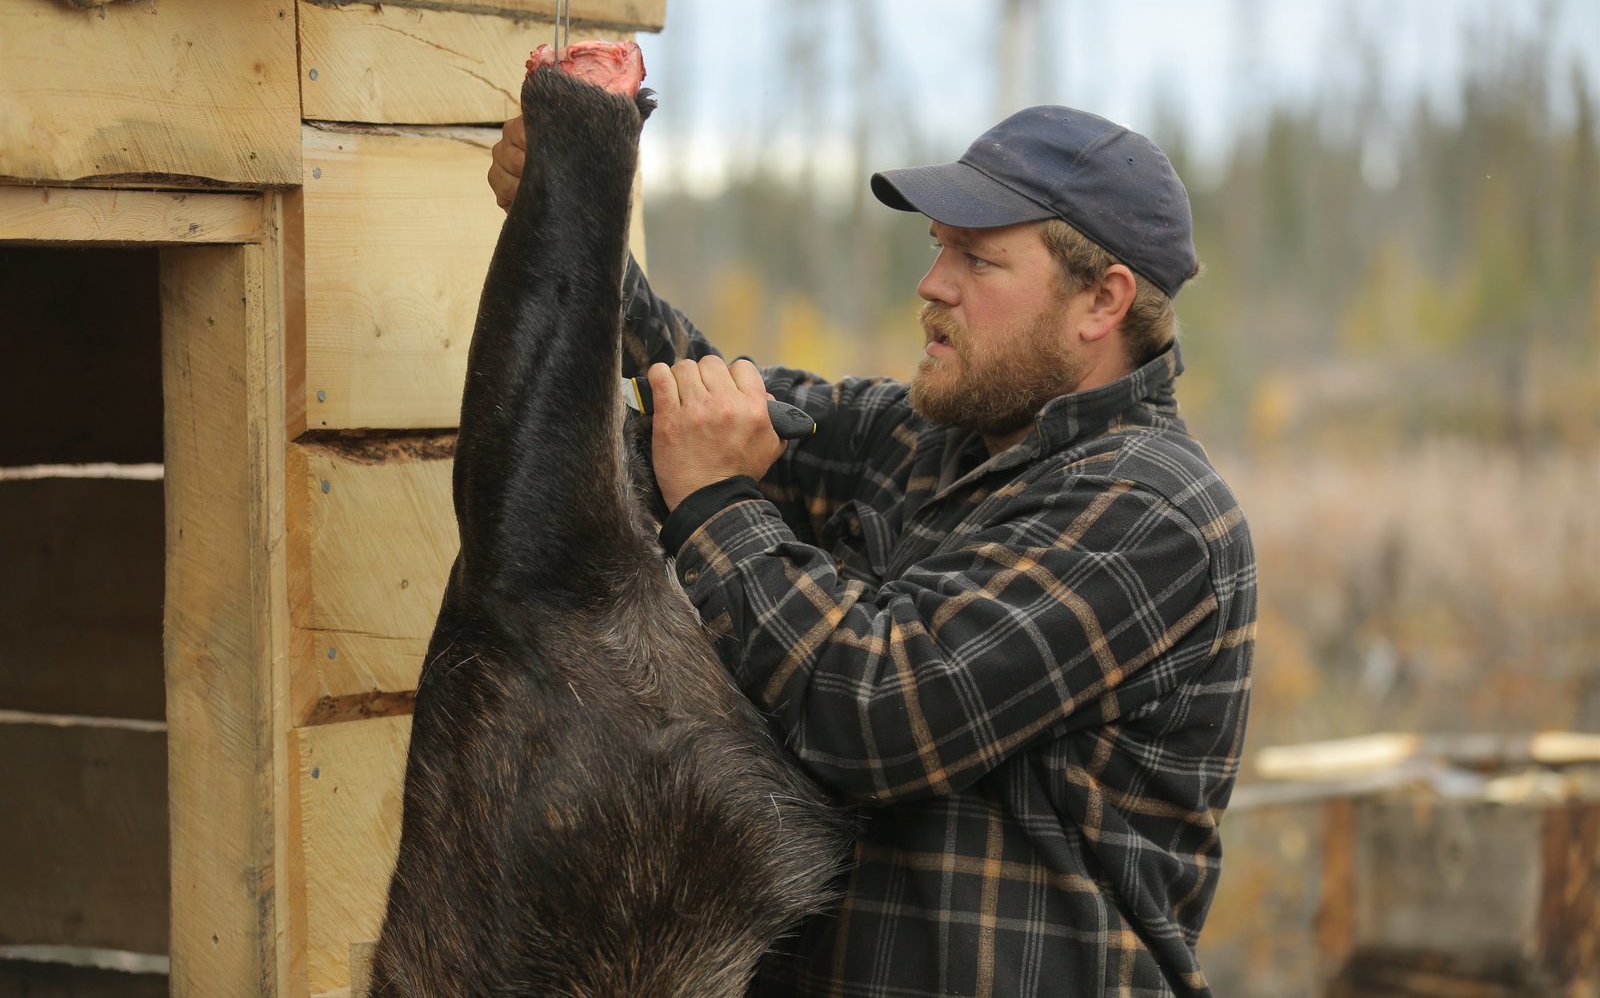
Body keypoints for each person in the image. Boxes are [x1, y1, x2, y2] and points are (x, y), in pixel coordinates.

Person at [488, 103, 1257, 998]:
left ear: (1103, 301)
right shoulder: (929, 437)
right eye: (938, 248)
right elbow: (710, 398)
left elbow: (882, 708)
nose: (933, 284)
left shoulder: (1152, 511)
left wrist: (715, 500)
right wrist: (578, 226)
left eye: (977, 259)